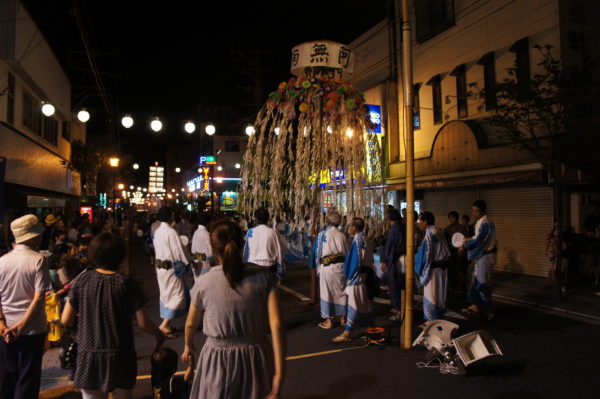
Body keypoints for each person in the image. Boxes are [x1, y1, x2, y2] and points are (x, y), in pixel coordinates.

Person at [181, 221, 285, 398]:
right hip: (256, 357)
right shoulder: (265, 277)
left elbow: (191, 324)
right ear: (242, 244)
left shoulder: (204, 283)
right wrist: (279, 375)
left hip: (217, 360)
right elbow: (277, 325)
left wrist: (188, 345)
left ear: (213, 250)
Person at [61, 232, 164, 398]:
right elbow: (143, 322)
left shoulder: (82, 281)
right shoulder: (126, 282)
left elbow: (66, 319)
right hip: (120, 354)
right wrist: (158, 335)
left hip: (89, 353)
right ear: (120, 255)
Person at [0, 215, 51, 399]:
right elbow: (38, 299)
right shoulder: (38, 260)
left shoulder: (2, 261)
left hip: (6, 330)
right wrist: (21, 327)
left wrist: (3, 325)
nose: (40, 237)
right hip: (32, 329)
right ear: (31, 237)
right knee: (27, 377)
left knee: (8, 374)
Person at [153, 207, 193, 338]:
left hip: (161, 267)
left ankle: (167, 324)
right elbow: (178, 251)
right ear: (170, 216)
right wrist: (187, 261)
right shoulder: (170, 232)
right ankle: (165, 324)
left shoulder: (157, 231)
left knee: (166, 294)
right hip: (171, 268)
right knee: (177, 295)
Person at [333, 218, 374, 343]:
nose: (348, 228)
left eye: (350, 226)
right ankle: (370, 326)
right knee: (364, 303)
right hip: (365, 275)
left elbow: (355, 261)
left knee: (353, 305)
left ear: (354, 228)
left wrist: (350, 274)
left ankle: (347, 332)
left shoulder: (358, 240)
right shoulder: (365, 239)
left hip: (357, 276)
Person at [310, 211, 349, 329]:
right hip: (341, 267)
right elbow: (346, 252)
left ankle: (329, 320)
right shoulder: (342, 235)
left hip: (327, 267)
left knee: (327, 293)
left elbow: (316, 252)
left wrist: (312, 265)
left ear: (328, 221)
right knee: (341, 292)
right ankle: (343, 318)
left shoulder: (322, 235)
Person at [462, 200, 497, 321]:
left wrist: (465, 245)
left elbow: (479, 241)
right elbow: (476, 237)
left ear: (482, 211)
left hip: (485, 256)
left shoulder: (486, 223)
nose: (474, 213)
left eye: (476, 211)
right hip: (481, 257)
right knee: (475, 282)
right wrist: (468, 239)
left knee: (483, 284)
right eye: (473, 210)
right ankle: (476, 305)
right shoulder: (480, 222)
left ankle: (489, 310)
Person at [415, 212, 450, 321]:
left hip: (433, 271)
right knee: (440, 296)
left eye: (420, 220)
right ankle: (439, 321)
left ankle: (431, 323)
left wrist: (415, 265)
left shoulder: (430, 234)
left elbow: (425, 256)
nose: (419, 223)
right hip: (442, 269)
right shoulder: (438, 231)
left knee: (431, 298)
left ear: (425, 222)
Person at [243, 208, 285, 279]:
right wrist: (280, 268)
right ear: (268, 218)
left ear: (255, 219)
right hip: (269, 268)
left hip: (253, 267)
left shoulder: (250, 232)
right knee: (269, 288)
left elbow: (246, 252)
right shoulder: (273, 232)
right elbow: (279, 251)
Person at [380, 209, 405, 321]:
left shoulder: (393, 229)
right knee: (399, 284)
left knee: (395, 285)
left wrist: (385, 260)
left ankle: (399, 310)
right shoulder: (401, 227)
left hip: (395, 259)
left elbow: (390, 246)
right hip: (401, 258)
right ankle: (399, 308)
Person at [444, 211, 469, 293]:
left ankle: (462, 287)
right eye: (450, 217)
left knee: (461, 270)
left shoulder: (462, 228)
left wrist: (463, 249)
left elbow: (466, 240)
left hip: (460, 251)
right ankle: (453, 287)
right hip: (451, 252)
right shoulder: (447, 228)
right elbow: (446, 241)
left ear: (457, 218)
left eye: (453, 217)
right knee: (451, 270)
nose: (451, 219)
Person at [191, 212, 213, 281]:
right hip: (204, 265)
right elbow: (211, 253)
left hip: (196, 263)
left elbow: (192, 250)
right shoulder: (206, 233)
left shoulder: (196, 232)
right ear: (207, 223)